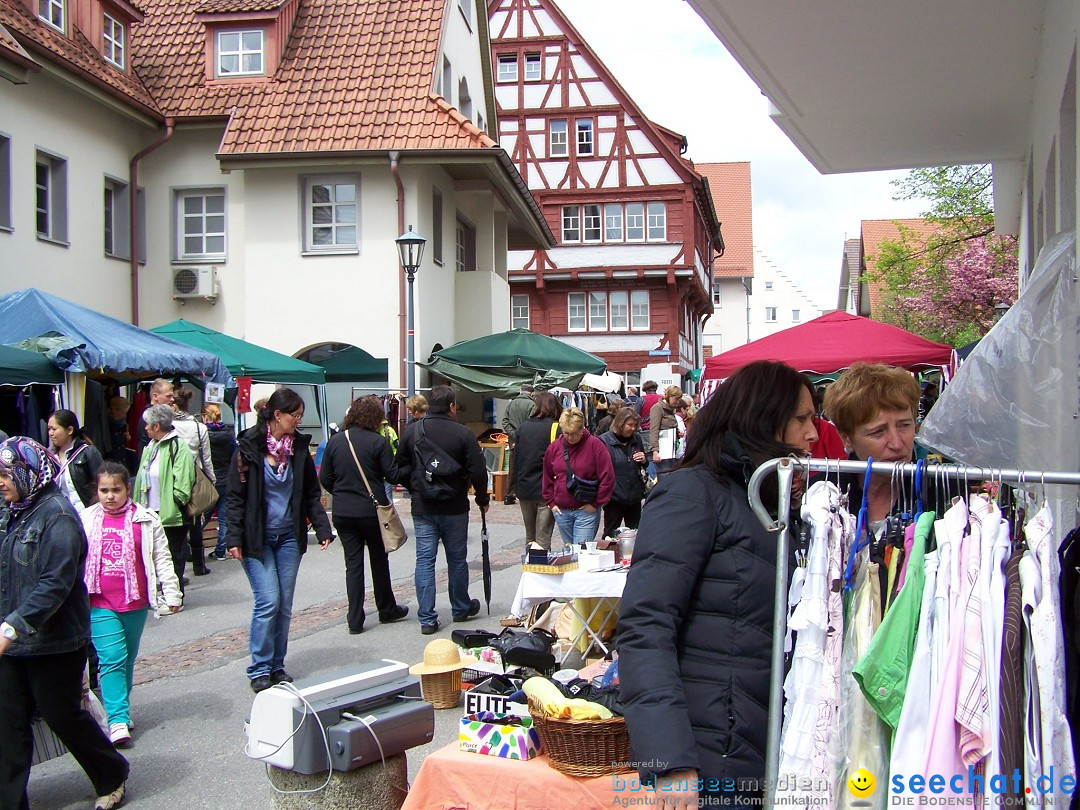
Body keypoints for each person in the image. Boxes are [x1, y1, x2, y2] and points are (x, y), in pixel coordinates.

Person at [618, 360, 819, 805]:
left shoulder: (769, 503)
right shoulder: (693, 492)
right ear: (762, 417)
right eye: (802, 419)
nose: (814, 434)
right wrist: (667, 760)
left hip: (759, 743)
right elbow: (645, 626)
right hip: (708, 755)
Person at [0, 437, 130, 810]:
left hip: (54, 640)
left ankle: (111, 772)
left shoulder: (57, 515)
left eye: (6, 474)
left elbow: (54, 584)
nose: (0, 482)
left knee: (62, 715)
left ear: (26, 472)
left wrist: (11, 627)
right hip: (13, 641)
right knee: (7, 726)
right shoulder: (12, 511)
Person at [226, 388, 334, 693]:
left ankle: (276, 665)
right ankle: (259, 667)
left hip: (288, 535)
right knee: (268, 601)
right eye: (295, 415)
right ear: (277, 415)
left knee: (284, 604)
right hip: (256, 537)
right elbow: (234, 497)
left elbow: (310, 493)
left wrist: (322, 527)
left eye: (301, 415)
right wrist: (233, 537)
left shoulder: (298, 447)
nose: (299, 421)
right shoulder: (248, 448)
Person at [80, 462, 183, 747]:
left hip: (134, 602)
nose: (110, 495)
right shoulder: (86, 519)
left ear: (128, 489)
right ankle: (116, 719)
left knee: (125, 659)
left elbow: (162, 558)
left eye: (116, 490)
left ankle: (121, 709)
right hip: (99, 601)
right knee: (111, 658)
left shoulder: (146, 519)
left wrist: (172, 593)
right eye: (104, 490)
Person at [396, 385, 489, 635]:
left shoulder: (412, 431)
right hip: (455, 505)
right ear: (451, 406)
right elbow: (478, 470)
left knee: (425, 560)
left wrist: (416, 486)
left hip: (423, 505)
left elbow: (400, 467)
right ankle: (460, 607)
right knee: (456, 559)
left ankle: (427, 617)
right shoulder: (463, 433)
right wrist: (482, 498)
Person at [319, 396, 410, 635]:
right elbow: (393, 475)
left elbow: (325, 478)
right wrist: (410, 466)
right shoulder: (377, 442)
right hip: (371, 511)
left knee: (353, 565)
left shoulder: (336, 441)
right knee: (379, 561)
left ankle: (355, 618)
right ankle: (386, 608)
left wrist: (341, 491)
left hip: (343, 511)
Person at [823, 362, 920, 522]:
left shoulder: (944, 493)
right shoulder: (823, 493)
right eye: (878, 432)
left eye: (904, 425)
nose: (896, 444)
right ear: (847, 438)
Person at [133, 404, 195, 603]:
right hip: (150, 511)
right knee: (152, 555)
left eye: (148, 424)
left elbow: (184, 479)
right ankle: (157, 593)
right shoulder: (151, 447)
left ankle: (174, 596)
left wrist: (177, 501)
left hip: (171, 513)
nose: (145, 428)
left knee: (173, 555)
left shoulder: (177, 446)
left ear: (157, 426)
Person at [542, 407, 615, 546]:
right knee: (570, 554)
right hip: (562, 510)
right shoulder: (554, 447)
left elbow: (608, 477)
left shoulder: (595, 445)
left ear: (582, 428)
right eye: (566, 433)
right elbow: (547, 475)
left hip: (586, 510)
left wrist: (596, 503)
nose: (570, 437)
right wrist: (551, 502)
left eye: (574, 433)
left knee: (581, 553)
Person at [172, 387, 215, 577]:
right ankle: (199, 564)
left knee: (176, 522)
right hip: (194, 477)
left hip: (172, 476)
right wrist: (211, 480)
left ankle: (179, 566)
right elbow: (206, 458)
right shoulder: (199, 427)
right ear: (189, 404)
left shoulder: (169, 426)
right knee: (196, 520)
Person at [599, 407, 647, 539]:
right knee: (610, 534)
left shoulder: (636, 438)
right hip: (614, 497)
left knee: (636, 534)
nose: (632, 428)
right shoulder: (604, 441)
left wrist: (644, 459)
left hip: (634, 496)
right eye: (629, 425)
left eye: (635, 425)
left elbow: (644, 465)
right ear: (620, 423)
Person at [47, 408, 104, 517]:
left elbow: (101, 483)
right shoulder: (49, 456)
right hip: (62, 516)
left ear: (69, 430)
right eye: (49, 429)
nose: (50, 433)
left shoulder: (87, 452)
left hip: (87, 514)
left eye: (54, 429)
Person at [202, 403, 236, 562]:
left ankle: (191, 543)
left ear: (205, 416)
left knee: (203, 515)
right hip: (226, 478)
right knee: (224, 517)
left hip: (210, 480)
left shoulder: (203, 435)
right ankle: (221, 550)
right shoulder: (229, 434)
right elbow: (234, 456)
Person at [501, 384, 536, 506]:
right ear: (531, 393)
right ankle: (523, 493)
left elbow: (504, 422)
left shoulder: (511, 404)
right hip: (527, 442)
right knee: (526, 467)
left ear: (521, 391)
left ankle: (508, 495)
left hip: (513, 441)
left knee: (512, 467)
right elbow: (532, 423)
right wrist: (522, 436)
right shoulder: (532, 405)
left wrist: (514, 435)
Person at [648, 385, 685, 474]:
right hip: (662, 454)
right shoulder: (657, 408)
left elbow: (668, 427)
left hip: (672, 452)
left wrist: (677, 433)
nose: (678, 402)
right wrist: (655, 451)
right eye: (676, 399)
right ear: (670, 396)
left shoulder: (671, 409)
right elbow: (654, 430)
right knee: (664, 479)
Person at [138, 378, 175, 448]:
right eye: (168, 396)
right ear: (155, 396)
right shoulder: (149, 417)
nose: (172, 399)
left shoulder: (163, 415)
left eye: (172, 396)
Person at [105, 396, 136, 474]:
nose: (125, 416)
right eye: (124, 413)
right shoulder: (106, 427)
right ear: (114, 410)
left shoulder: (121, 425)